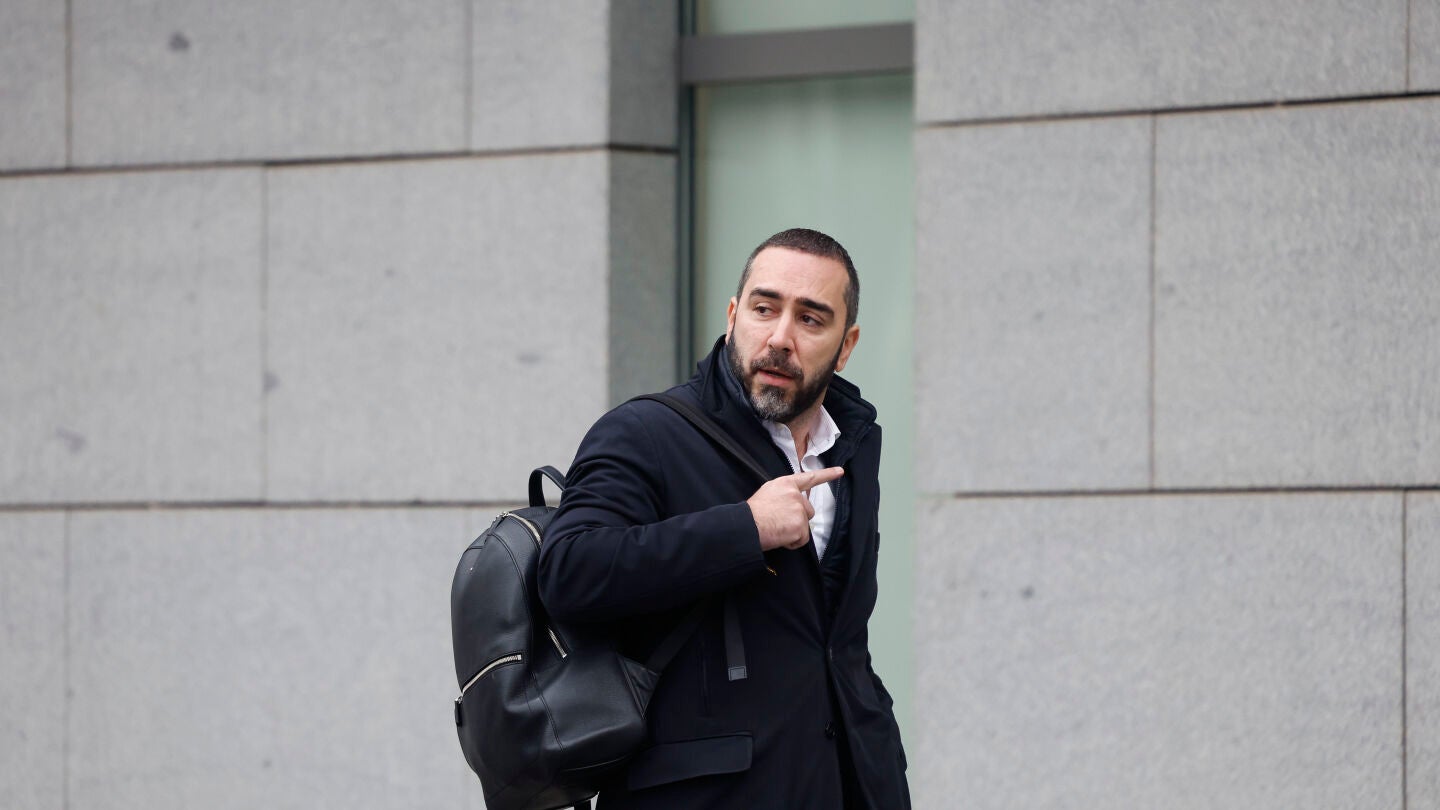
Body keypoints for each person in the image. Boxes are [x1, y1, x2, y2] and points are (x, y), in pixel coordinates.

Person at [538, 228, 910, 809]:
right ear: (734, 316)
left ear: (846, 346)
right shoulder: (646, 432)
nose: (780, 338)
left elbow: (838, 644)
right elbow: (569, 570)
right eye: (764, 309)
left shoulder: (853, 447)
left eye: (811, 319)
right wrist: (746, 529)